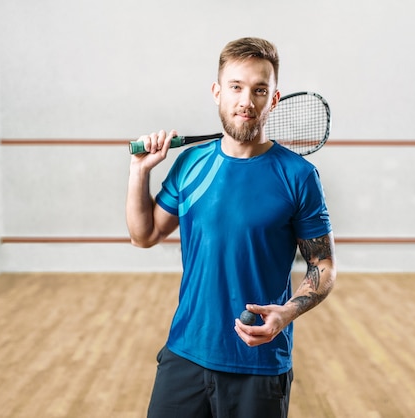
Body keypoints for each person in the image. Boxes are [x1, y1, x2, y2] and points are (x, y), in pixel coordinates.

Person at [126, 37, 336, 418]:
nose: (246, 101)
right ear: (217, 92)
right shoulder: (190, 164)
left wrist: (287, 313)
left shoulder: (299, 176)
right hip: (184, 355)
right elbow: (145, 235)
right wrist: (139, 172)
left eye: (259, 90)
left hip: (258, 365)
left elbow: (323, 265)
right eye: (236, 87)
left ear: (273, 99)